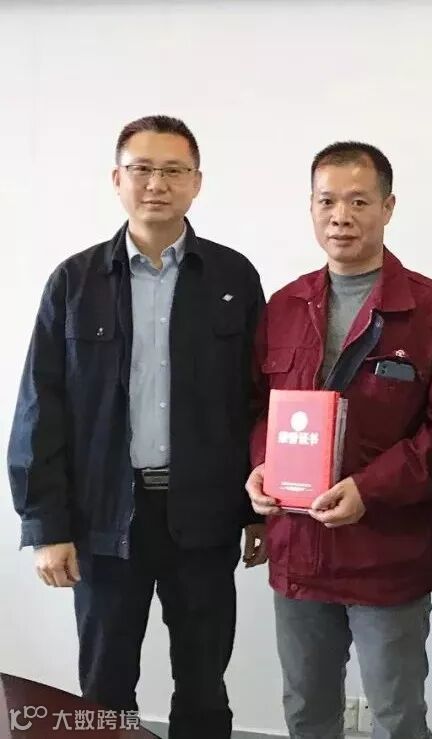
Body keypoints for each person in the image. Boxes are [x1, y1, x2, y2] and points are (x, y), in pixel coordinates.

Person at [8, 115, 267, 738]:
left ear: (197, 182)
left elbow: (256, 401)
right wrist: (46, 526)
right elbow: (41, 406)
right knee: (104, 686)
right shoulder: (75, 282)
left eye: (174, 170)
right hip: (103, 518)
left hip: (203, 515)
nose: (157, 183)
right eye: (142, 169)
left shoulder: (232, 278)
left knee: (204, 682)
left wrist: (259, 511)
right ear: (117, 179)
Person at [246, 141, 432, 739]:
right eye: (327, 201)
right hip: (299, 548)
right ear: (311, 208)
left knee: (396, 714)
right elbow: (259, 408)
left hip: (388, 553)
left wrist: (370, 489)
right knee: (306, 710)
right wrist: (262, 466)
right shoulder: (284, 306)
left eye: (359, 201)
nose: (341, 216)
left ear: (388, 207)